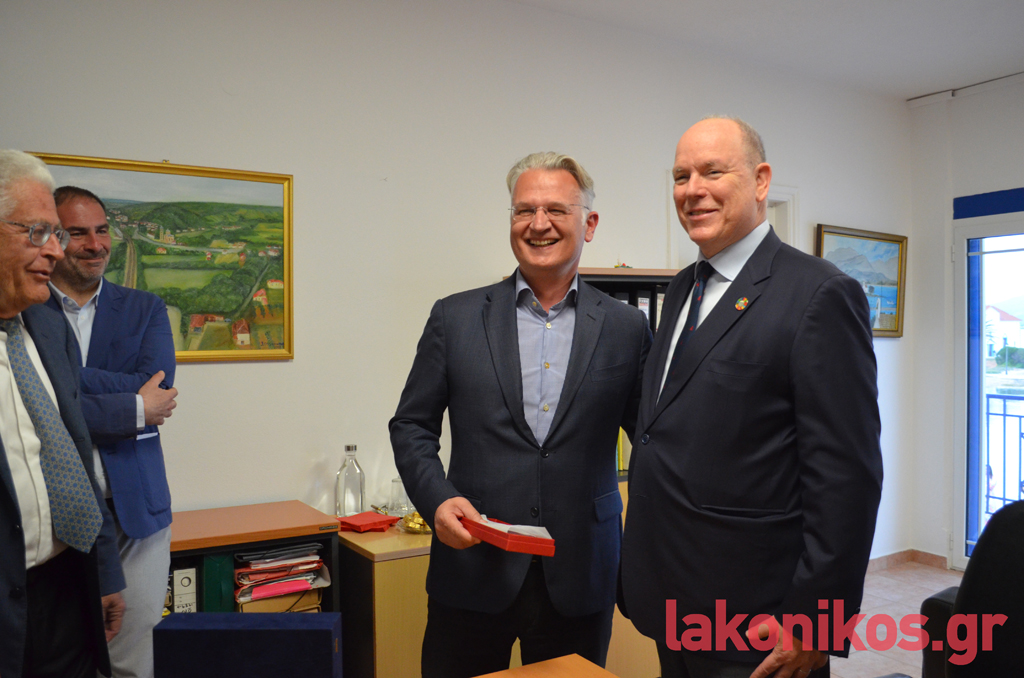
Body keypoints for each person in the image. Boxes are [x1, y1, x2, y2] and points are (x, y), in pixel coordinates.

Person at [620, 118, 883, 678]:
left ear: (761, 180)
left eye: (713, 172)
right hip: (674, 600)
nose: (693, 190)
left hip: (757, 621)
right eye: (681, 176)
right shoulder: (682, 287)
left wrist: (817, 621)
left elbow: (847, 478)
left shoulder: (819, 294)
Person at [391, 152, 651, 677]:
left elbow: (654, 441)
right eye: (524, 210)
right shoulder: (455, 317)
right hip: (472, 568)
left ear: (589, 224)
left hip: (581, 570)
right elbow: (411, 425)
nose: (538, 223)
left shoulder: (628, 327)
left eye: (556, 209)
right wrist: (437, 500)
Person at [0, 149, 126, 678]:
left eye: (55, 234)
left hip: (66, 588)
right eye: (37, 233)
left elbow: (74, 457)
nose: (55, 251)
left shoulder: (48, 328)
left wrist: (104, 572)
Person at [47, 185, 178, 678]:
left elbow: (159, 386)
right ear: (53, 238)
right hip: (57, 513)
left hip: (137, 511)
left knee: (132, 657)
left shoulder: (145, 307)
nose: (95, 244)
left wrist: (61, 383)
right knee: (63, 654)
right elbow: (28, 401)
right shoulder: (27, 309)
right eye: (78, 233)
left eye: (102, 231)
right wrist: (131, 406)